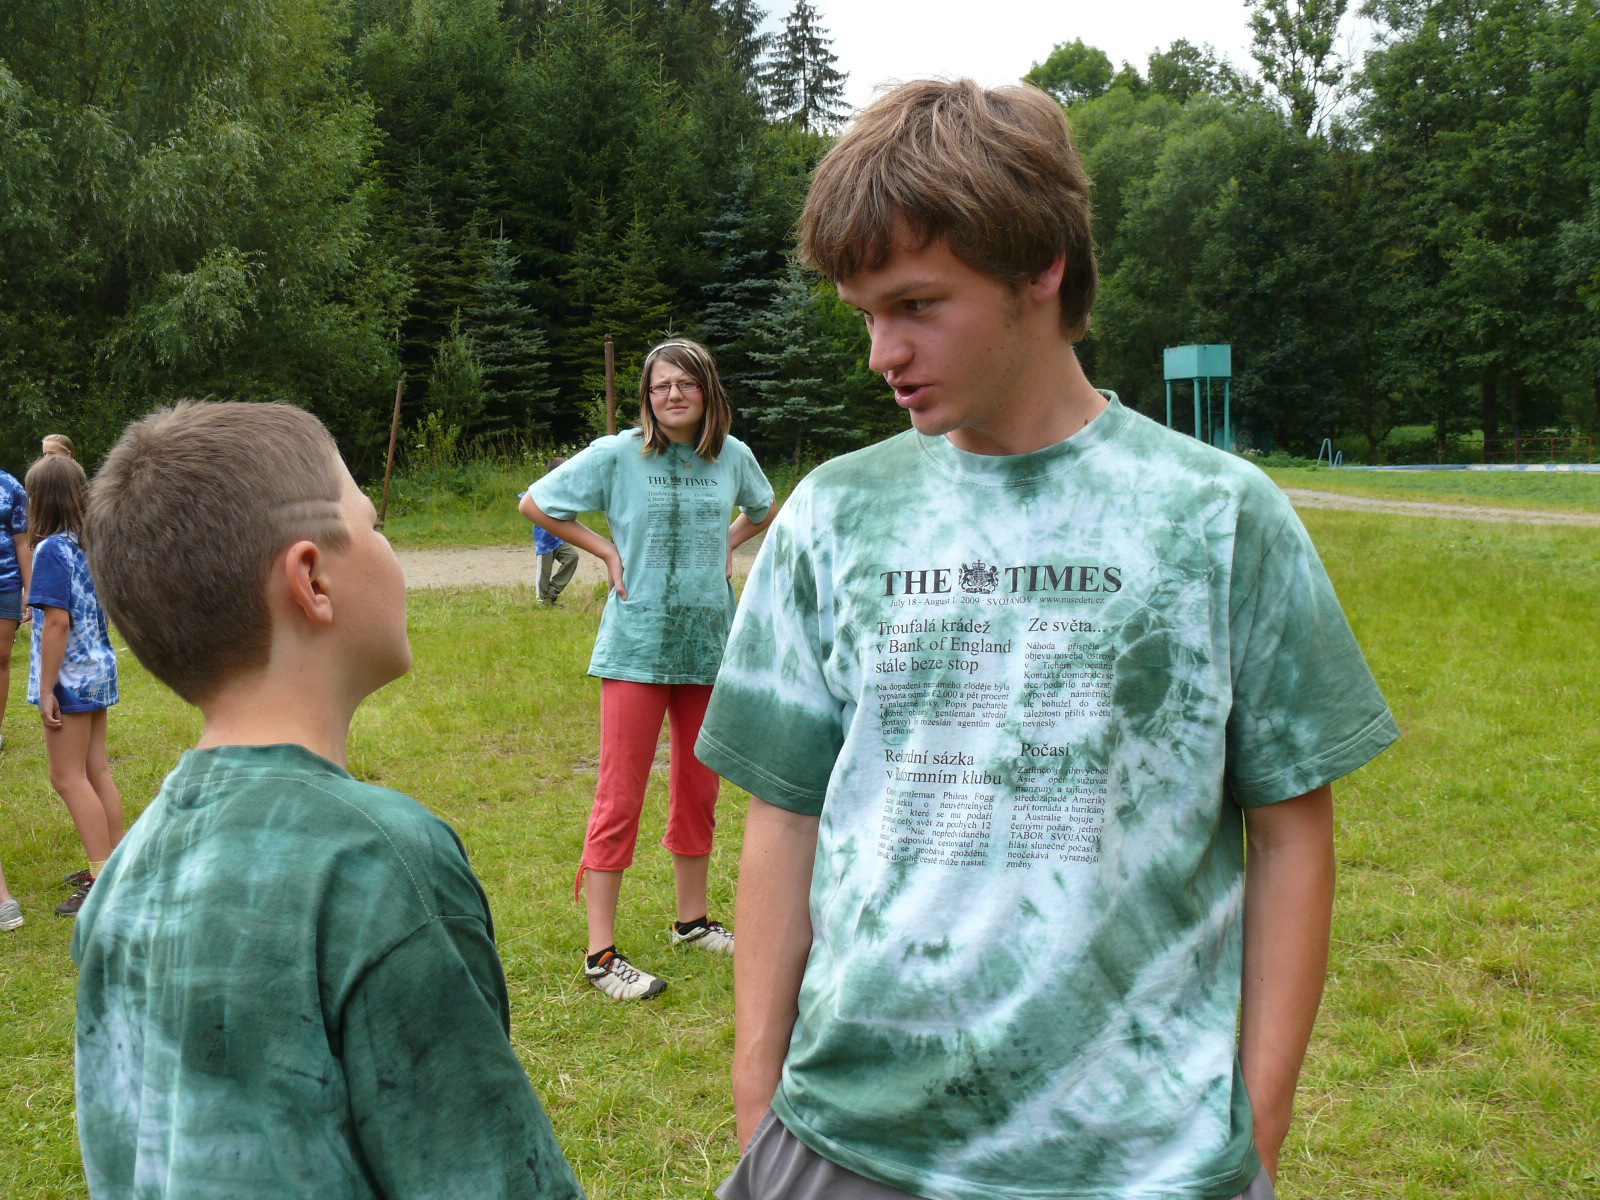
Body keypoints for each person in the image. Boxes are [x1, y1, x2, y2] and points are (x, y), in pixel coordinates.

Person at [696, 80, 1400, 1200]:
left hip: (1140, 1159)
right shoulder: (832, 515)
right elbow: (785, 815)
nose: (882, 351)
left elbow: (1289, 835)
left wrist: (1255, 1134)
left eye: (917, 304)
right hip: (846, 1142)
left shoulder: (1218, 516)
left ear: (1041, 269)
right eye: (865, 313)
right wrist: (758, 1104)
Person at [74, 401, 586, 1199]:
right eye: (374, 523)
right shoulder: (380, 867)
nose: (388, 547)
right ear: (312, 579)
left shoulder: (123, 876)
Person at [521, 338, 776, 1002]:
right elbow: (537, 503)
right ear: (647, 396)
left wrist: (726, 543)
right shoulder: (618, 455)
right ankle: (601, 955)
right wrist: (606, 551)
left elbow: (763, 508)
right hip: (636, 647)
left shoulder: (732, 456)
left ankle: (693, 922)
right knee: (620, 794)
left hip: (707, 646)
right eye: (661, 386)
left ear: (707, 391)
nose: (672, 395)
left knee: (699, 788)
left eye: (685, 384)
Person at [23, 454, 121, 918]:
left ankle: (102, 880)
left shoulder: (49, 551)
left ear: (38, 500)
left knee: (67, 776)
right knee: (96, 769)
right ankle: (117, 865)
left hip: (71, 678)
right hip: (99, 668)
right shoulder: (90, 543)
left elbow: (57, 623)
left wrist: (47, 689)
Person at [0, 464, 31, 753]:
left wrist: (29, 590)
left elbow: (22, 542)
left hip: (6, 583)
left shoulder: (11, 487)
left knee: (1, 656)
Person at [532, 457, 579, 605]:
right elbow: (528, 500)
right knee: (544, 570)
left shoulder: (566, 490)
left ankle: (553, 590)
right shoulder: (543, 488)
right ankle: (542, 600)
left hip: (559, 537)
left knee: (572, 557)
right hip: (544, 538)